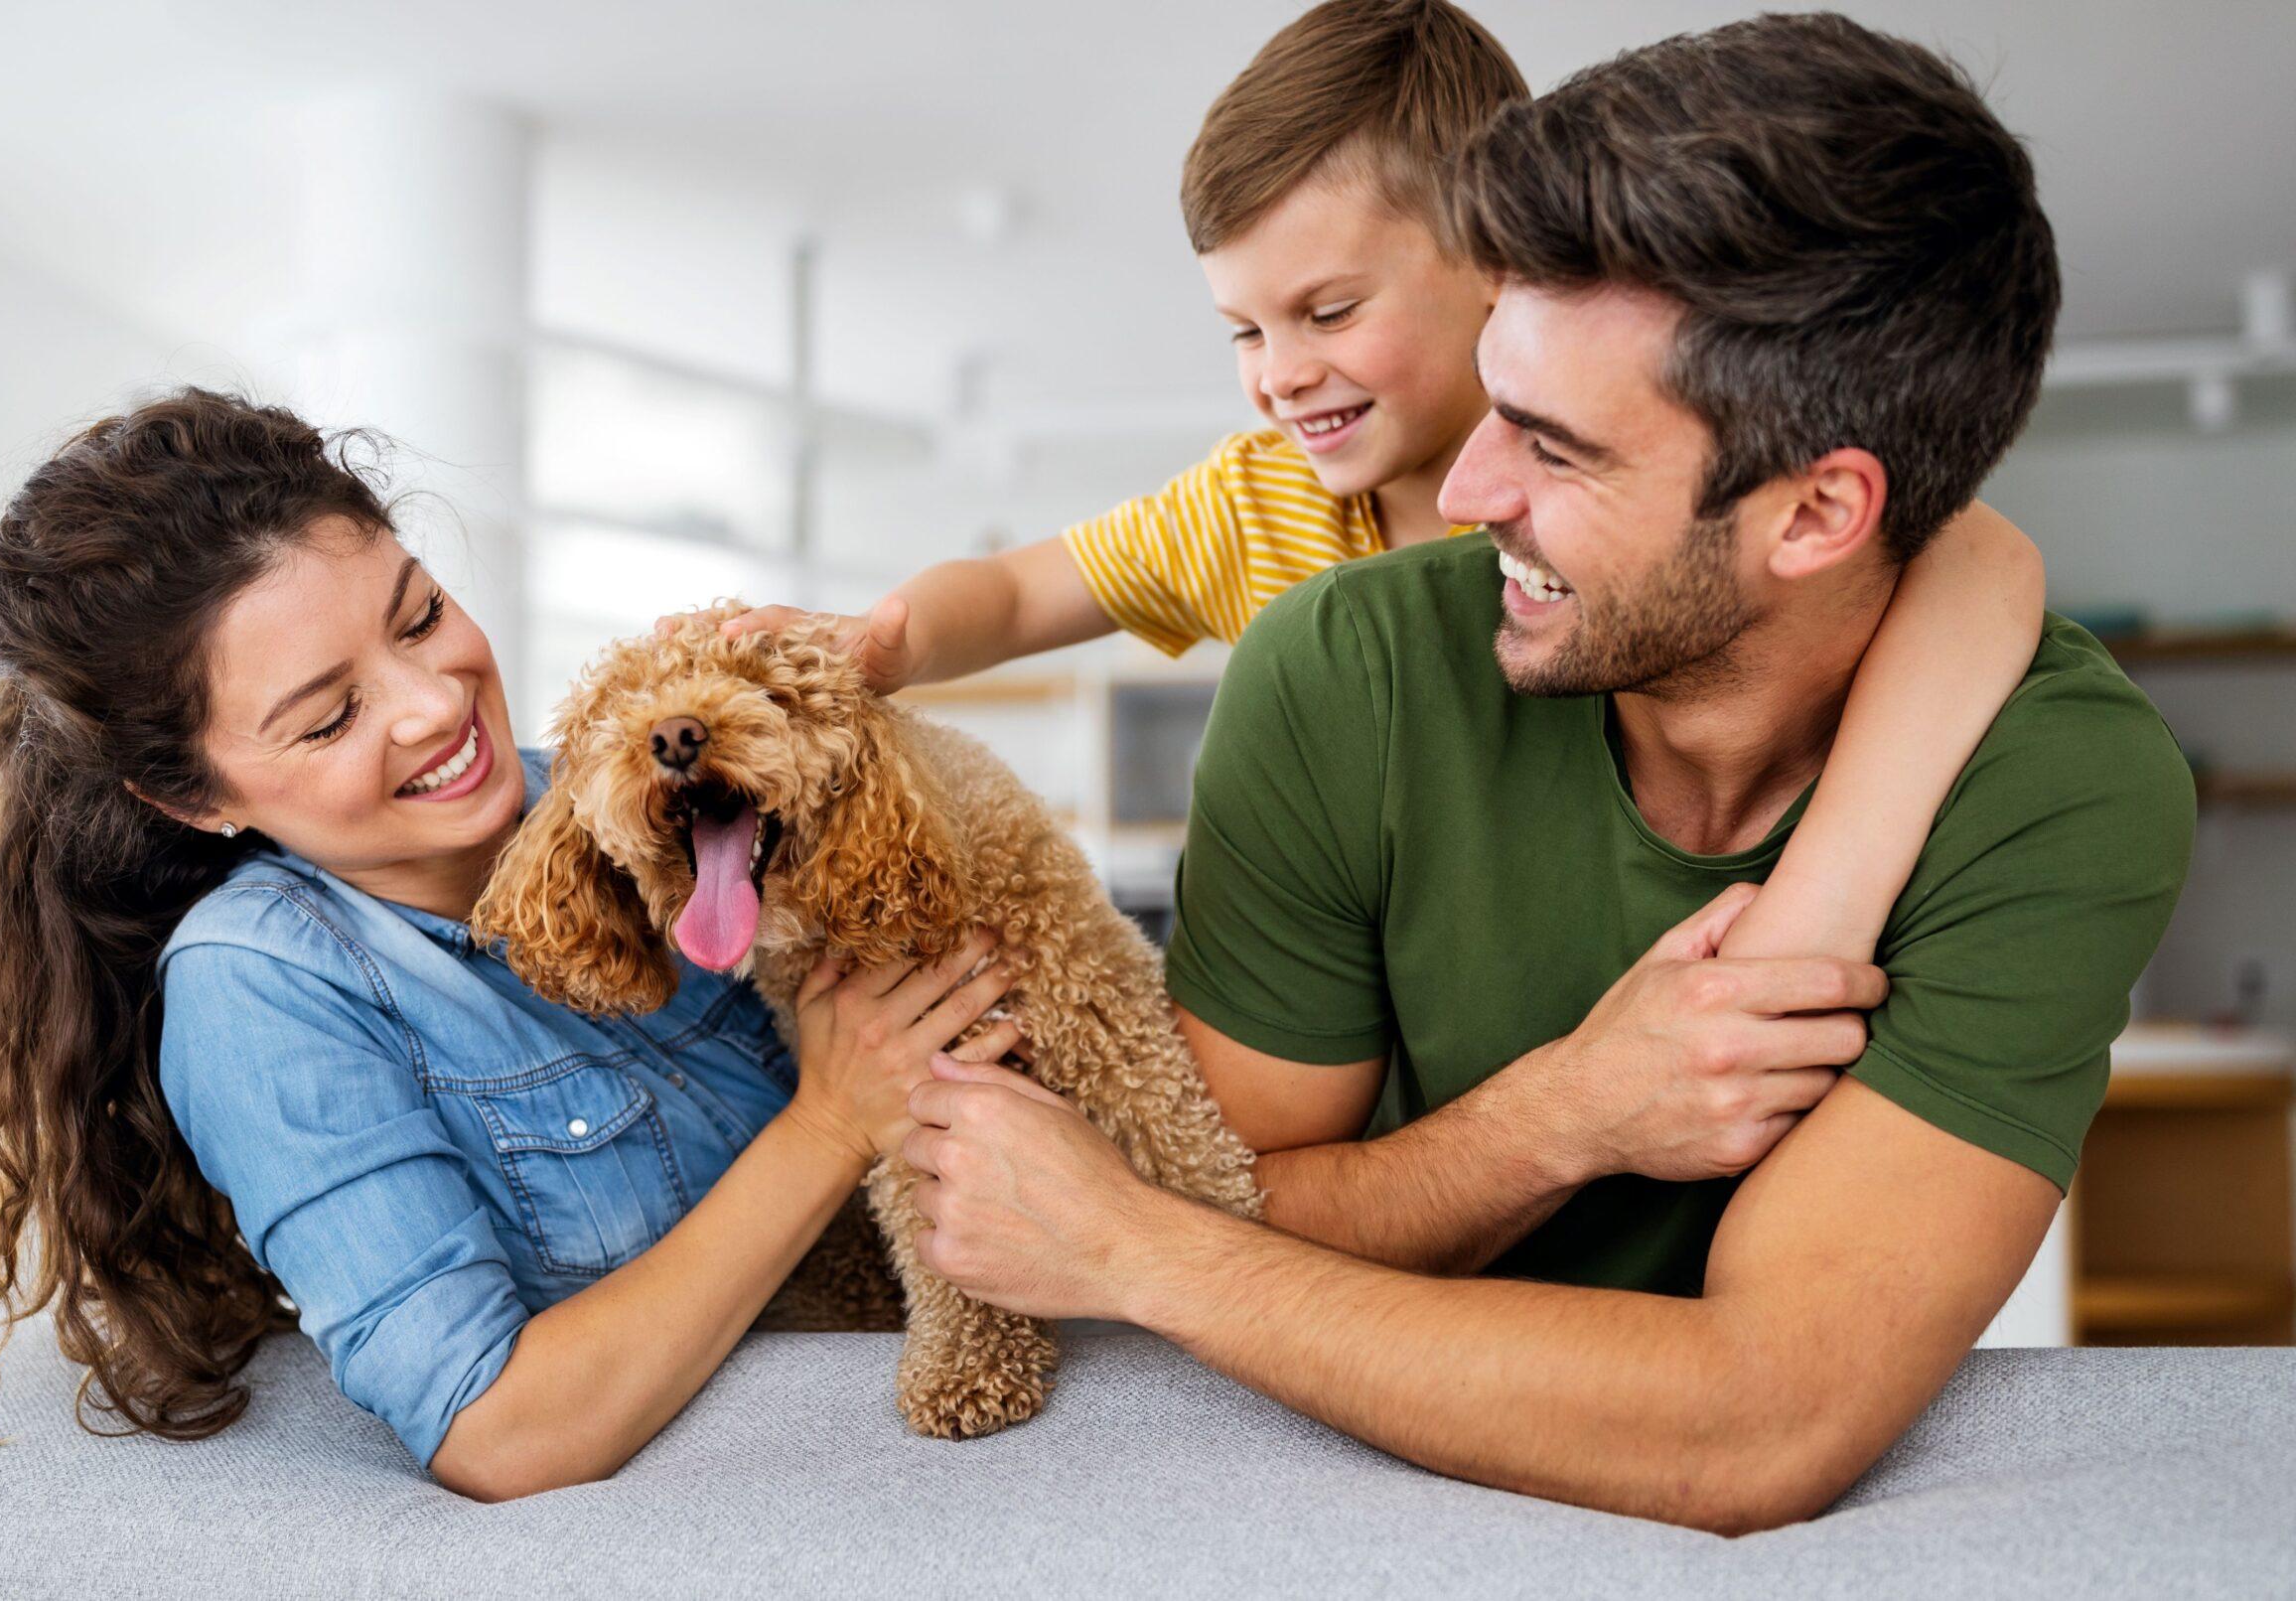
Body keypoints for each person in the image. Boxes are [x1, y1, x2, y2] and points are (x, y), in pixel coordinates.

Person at [893, 14, 2196, 1534]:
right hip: (1294, 1499)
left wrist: (1131, 1254)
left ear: (1819, 513)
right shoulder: (1344, 662)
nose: (1460, 492)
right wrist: (1568, 1113)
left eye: (1556, 448)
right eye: (1490, 396)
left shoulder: (2058, 785)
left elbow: (1758, 1420)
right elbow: (1230, 1183)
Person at [716, 0, 2049, 985]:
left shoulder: (1646, 511)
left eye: (1329, 310)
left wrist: (1823, 897)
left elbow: (1974, 558)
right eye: (1244, 331)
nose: (1281, 376)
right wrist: (884, 640)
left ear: (1501, 260)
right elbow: (1015, 589)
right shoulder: (1256, 507)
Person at [0, 389, 1020, 1502]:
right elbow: (495, 1430)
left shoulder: (642, 786)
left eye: (420, 616)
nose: (434, 705)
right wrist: (830, 1121)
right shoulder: (261, 986)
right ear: (196, 800)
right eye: (330, 717)